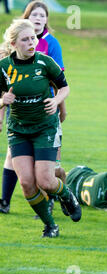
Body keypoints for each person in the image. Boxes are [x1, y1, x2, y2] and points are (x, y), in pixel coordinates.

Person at [0, 19, 81, 237]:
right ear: (14, 43)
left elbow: (65, 87)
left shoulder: (45, 62)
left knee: (45, 180)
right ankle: (50, 225)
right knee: (27, 183)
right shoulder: (4, 66)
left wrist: (56, 102)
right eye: (25, 39)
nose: (31, 42)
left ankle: (67, 196)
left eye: (33, 38)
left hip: (45, 128)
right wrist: (2, 101)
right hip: (18, 130)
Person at [0, 0, 67, 215]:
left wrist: (60, 106)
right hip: (18, 107)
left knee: (47, 168)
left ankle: (57, 193)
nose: (38, 19)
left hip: (44, 110)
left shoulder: (51, 44)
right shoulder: (11, 49)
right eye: (34, 15)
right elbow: (4, 89)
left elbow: (59, 82)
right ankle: (5, 201)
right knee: (14, 155)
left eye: (42, 15)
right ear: (26, 18)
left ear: (47, 20)